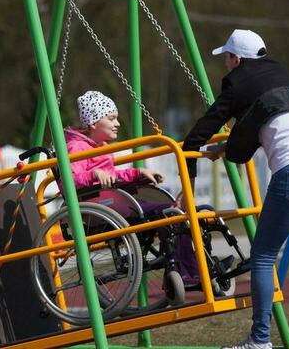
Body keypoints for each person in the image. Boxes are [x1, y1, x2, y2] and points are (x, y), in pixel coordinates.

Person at [179, 29, 289, 349]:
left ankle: (260, 340)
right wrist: (228, 149)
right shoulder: (282, 73)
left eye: (227, 57)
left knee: (264, 257)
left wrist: (189, 176)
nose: (226, 63)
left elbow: (203, 130)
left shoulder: (237, 81)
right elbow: (273, 120)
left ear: (237, 59)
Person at [64, 90, 200, 284]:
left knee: (174, 211)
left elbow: (112, 177)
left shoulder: (100, 146)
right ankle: (184, 269)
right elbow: (69, 179)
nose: (117, 124)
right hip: (101, 207)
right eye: (111, 119)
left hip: (112, 202)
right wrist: (93, 174)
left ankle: (190, 266)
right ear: (94, 123)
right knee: (169, 213)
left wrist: (138, 173)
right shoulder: (76, 148)